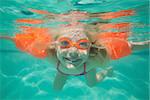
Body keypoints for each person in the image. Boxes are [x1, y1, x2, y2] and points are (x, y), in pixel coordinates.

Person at [0, 9, 149, 90]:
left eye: (83, 44)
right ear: (54, 45)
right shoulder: (49, 55)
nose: (72, 53)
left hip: (86, 69)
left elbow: (134, 46)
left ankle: (106, 73)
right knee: (56, 89)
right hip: (62, 70)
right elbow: (22, 41)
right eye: (65, 43)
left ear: (91, 47)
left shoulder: (94, 59)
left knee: (91, 84)